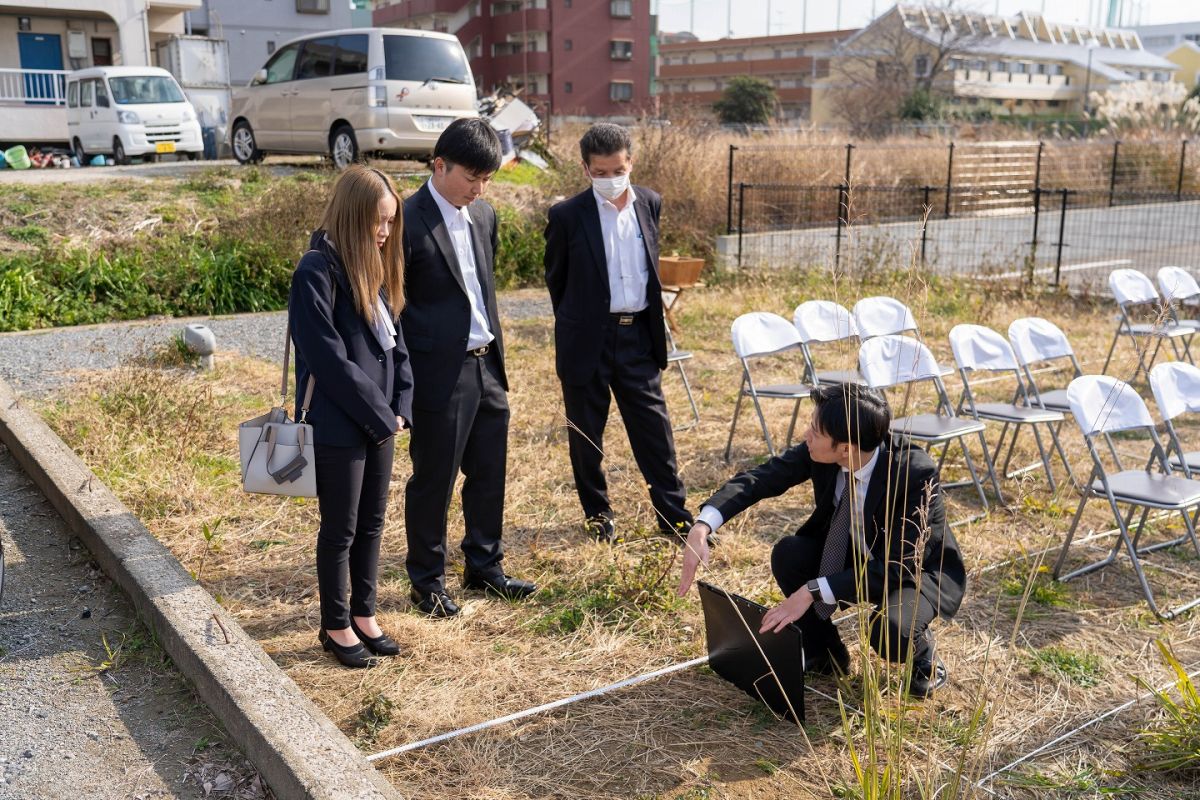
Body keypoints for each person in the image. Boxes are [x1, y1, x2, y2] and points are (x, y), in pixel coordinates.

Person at [677, 383, 966, 698]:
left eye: (814, 430)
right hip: (856, 553)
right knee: (790, 555)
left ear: (845, 448)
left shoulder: (913, 472)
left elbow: (898, 567)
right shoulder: (823, 450)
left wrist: (812, 591)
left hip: (913, 573)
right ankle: (825, 652)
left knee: (889, 631)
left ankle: (923, 658)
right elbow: (762, 478)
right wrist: (703, 525)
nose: (805, 434)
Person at [400, 118, 535, 617]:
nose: (479, 190)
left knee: (489, 473)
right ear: (439, 165)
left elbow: (483, 293)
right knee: (433, 478)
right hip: (439, 372)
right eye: (471, 178)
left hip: (487, 364)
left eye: (487, 180)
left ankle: (484, 566)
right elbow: (395, 304)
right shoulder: (407, 221)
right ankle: (427, 580)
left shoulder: (485, 217)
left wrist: (496, 361)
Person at [543, 123, 693, 543]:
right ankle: (598, 515)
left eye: (618, 169)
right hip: (587, 340)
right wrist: (581, 321)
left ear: (631, 163)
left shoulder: (650, 203)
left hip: (637, 339)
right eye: (601, 172)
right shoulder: (567, 216)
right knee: (587, 435)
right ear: (586, 169)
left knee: (654, 431)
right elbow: (557, 280)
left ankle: (674, 516)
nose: (611, 179)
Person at [290, 165, 413, 669]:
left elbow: (397, 348)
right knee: (339, 527)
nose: (384, 233)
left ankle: (364, 613)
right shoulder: (315, 271)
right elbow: (327, 360)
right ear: (352, 215)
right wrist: (382, 415)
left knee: (372, 524)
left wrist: (400, 407)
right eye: (377, 223)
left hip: (381, 421)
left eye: (390, 223)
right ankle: (335, 624)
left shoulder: (373, 266)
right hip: (340, 423)